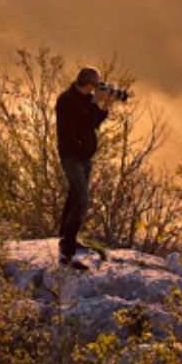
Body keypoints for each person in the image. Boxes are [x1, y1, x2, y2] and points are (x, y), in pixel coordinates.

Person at [55, 65, 116, 270]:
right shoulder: (67, 100)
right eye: (95, 85)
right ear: (89, 84)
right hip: (71, 156)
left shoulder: (85, 100)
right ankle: (67, 251)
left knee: (74, 196)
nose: (97, 89)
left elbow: (93, 123)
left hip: (84, 157)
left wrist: (105, 105)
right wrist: (94, 102)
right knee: (82, 199)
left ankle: (66, 237)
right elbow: (80, 123)